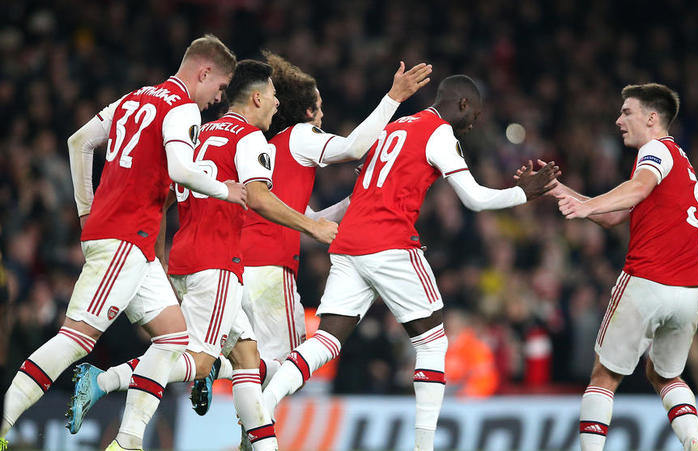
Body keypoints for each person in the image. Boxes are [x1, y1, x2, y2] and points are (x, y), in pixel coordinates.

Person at [263, 74, 560, 451]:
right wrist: (523, 192)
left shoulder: (393, 127)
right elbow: (475, 199)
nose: (473, 124)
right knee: (433, 343)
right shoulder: (439, 133)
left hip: (349, 243)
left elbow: (359, 196)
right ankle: (424, 447)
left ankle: (264, 405)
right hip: (390, 243)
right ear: (463, 105)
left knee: (327, 339)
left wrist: (320, 219)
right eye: (475, 115)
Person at [66, 59, 339, 451]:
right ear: (257, 97)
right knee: (197, 361)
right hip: (217, 265)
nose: (278, 105)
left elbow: (161, 199)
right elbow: (259, 198)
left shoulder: (200, 131)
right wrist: (313, 228)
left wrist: (156, 256)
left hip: (184, 258)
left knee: (246, 356)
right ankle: (108, 389)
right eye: (274, 97)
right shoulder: (248, 139)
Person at [0, 35, 244, 451]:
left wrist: (84, 210)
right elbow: (183, 171)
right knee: (76, 339)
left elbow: (79, 141)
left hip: (136, 245)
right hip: (125, 239)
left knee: (172, 340)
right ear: (203, 73)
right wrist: (225, 189)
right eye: (219, 89)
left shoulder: (134, 99)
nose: (216, 101)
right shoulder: (181, 107)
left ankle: (127, 441)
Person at [189, 55, 433, 417]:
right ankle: (217, 376)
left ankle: (233, 408)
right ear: (305, 112)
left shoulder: (262, 150)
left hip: (233, 265)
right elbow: (353, 147)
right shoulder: (301, 136)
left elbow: (308, 219)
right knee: (292, 366)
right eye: (319, 110)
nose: (322, 118)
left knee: (253, 365)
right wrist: (393, 98)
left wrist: (357, 196)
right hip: (270, 270)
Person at [550, 83, 698, 451]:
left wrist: (585, 207)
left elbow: (636, 189)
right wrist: (557, 189)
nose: (618, 119)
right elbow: (615, 215)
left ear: (652, 118)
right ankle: (694, 443)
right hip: (689, 290)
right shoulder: (682, 162)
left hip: (647, 280)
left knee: (603, 376)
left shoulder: (655, 151)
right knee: (664, 375)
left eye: (626, 112)